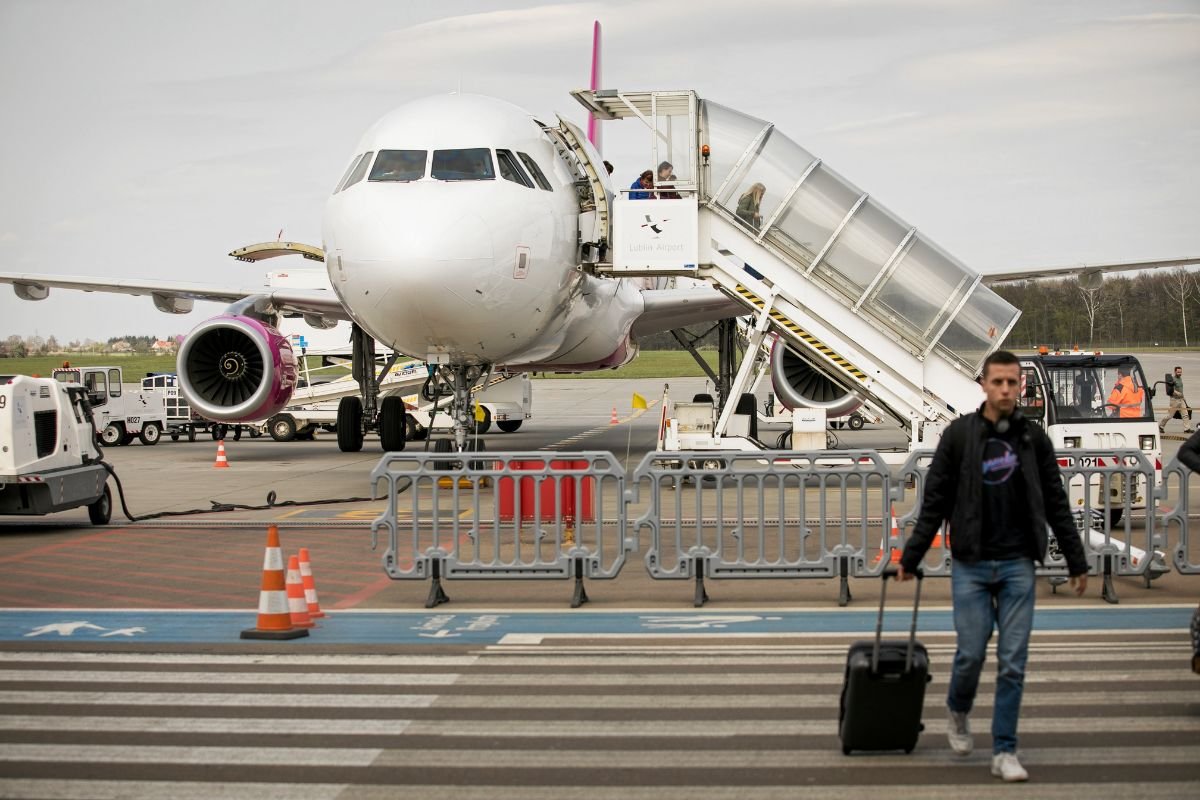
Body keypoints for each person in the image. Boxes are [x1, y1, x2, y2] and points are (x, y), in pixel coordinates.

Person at [897, 349, 1089, 783]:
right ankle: (958, 709)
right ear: (982, 384)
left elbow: (1056, 502)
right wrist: (912, 556)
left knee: (1013, 660)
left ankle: (1005, 750)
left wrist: (1076, 559)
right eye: (997, 382)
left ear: (1020, 387)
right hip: (972, 563)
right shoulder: (959, 436)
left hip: (1019, 562)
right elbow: (936, 501)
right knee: (971, 653)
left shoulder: (1032, 440)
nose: (1005, 389)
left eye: (1012, 383)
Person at [1160, 366, 1194, 434]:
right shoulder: (1172, 379)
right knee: (1170, 415)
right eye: (1178, 372)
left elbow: (1180, 388)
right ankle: (1161, 426)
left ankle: (1187, 429)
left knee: (1185, 414)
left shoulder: (1180, 378)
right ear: (1175, 371)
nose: (1179, 373)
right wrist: (1177, 393)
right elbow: (1170, 390)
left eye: (1180, 372)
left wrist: (1183, 397)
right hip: (1174, 400)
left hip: (1181, 400)